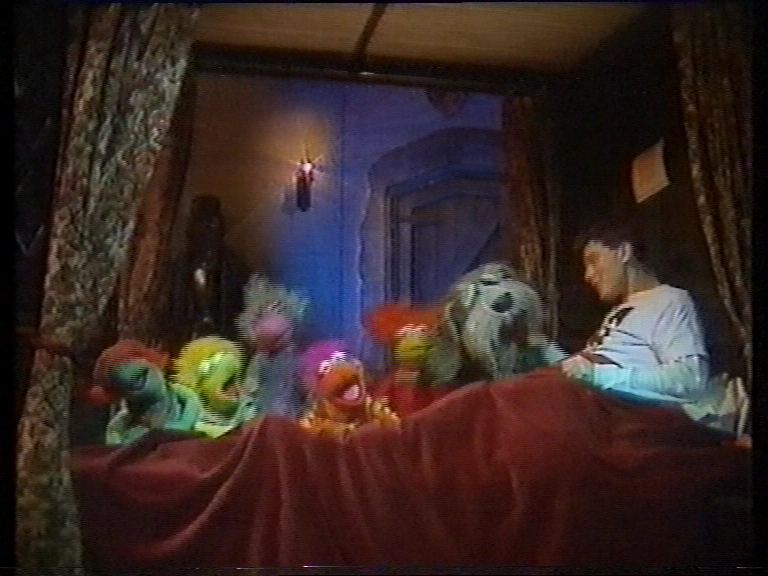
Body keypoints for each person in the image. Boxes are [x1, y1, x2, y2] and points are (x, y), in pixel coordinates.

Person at [560, 218, 718, 414]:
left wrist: (598, 376)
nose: (588, 275)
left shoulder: (669, 300)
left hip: (615, 409)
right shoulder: (619, 310)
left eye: (593, 260)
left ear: (623, 252)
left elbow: (689, 380)